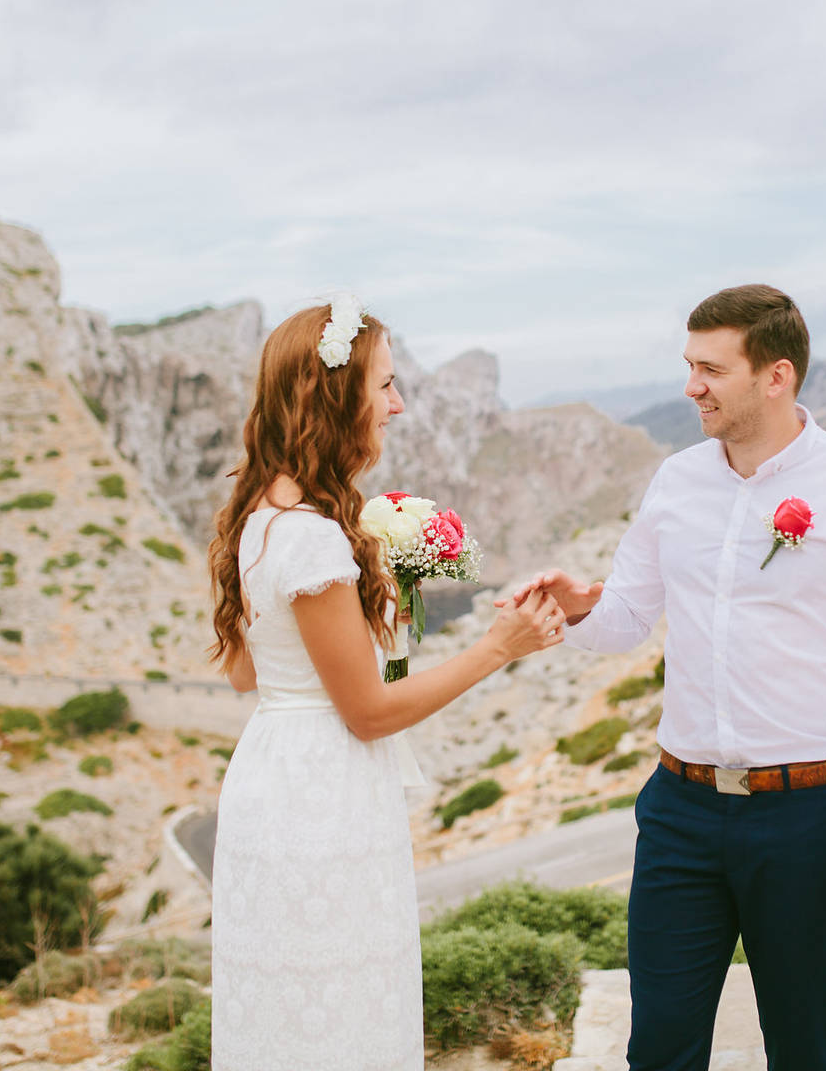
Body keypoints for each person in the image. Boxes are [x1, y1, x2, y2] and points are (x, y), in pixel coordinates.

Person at [509, 284, 826, 1071]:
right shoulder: (676, 481)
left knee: (805, 1048)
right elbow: (628, 620)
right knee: (661, 1046)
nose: (690, 387)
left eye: (710, 368)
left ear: (775, 376)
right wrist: (578, 607)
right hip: (679, 811)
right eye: (688, 365)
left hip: (810, 817)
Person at [206, 296, 566, 1070]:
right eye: (385, 386)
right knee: (342, 1011)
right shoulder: (311, 538)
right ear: (334, 398)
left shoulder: (260, 515)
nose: (398, 405)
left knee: (286, 1012)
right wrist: (498, 646)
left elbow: (246, 673)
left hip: (273, 768)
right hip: (321, 797)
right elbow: (368, 715)